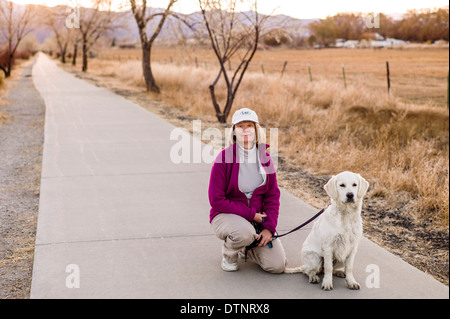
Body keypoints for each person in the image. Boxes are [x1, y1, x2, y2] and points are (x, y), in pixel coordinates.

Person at [208, 108, 286, 273]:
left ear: (256, 130)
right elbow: (216, 200)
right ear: (234, 131)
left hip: (257, 221)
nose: (245, 129)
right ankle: (230, 255)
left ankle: (248, 248)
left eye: (249, 125)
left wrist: (269, 228)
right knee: (244, 233)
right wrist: (253, 215)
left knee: (277, 266)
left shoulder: (265, 159)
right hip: (226, 216)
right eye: (240, 126)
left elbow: (272, 196)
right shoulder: (223, 158)